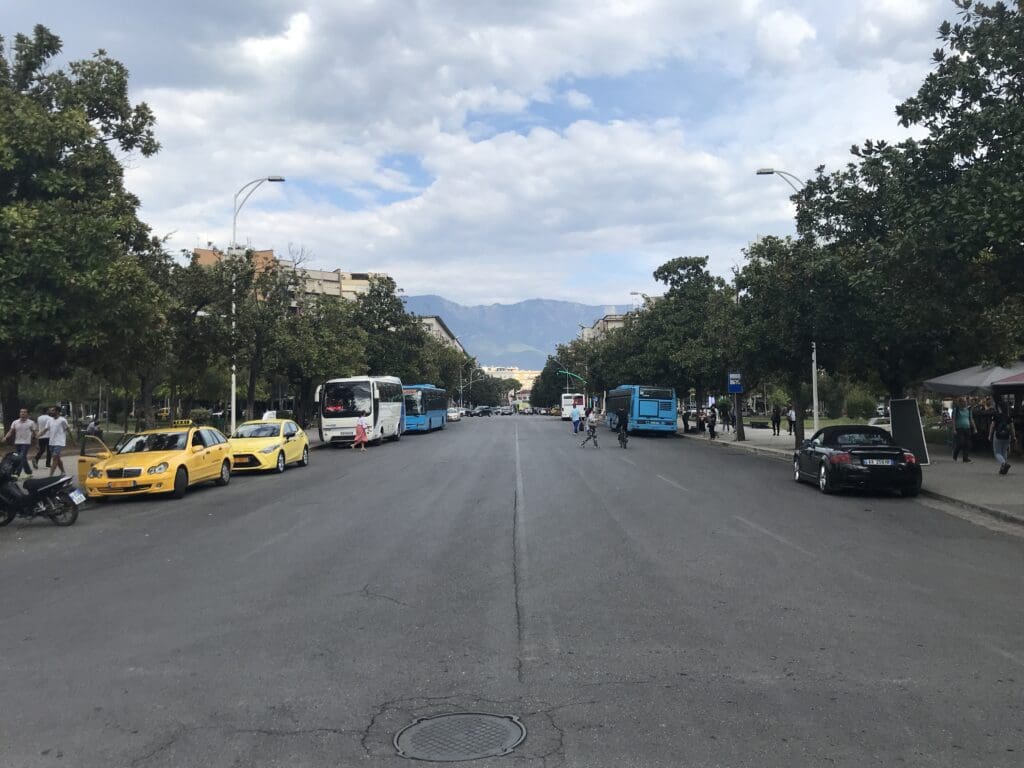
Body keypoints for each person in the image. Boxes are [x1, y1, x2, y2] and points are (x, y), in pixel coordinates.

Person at [4, 408, 36, 478]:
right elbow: (11, 431)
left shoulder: (31, 423)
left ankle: (17, 473)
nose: (22, 413)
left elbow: (34, 433)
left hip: (26, 442)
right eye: (21, 412)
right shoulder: (15, 422)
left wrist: (34, 440)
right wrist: (5, 437)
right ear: (19, 414)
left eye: (24, 412)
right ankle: (29, 472)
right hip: (18, 442)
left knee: (20, 457)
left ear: (27, 414)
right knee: (22, 458)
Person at [989, 404, 1015, 475]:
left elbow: (992, 425)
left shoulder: (996, 415)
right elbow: (1012, 427)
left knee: (997, 452)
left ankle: (1004, 464)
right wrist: (1014, 436)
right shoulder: (1008, 416)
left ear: (999, 408)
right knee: (1004, 452)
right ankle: (1003, 469)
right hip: (1007, 436)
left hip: (998, 435)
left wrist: (990, 435)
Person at [47, 407, 71, 477]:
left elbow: (68, 430)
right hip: (51, 442)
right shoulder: (49, 420)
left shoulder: (62, 420)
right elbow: (45, 429)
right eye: (50, 410)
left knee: (54, 457)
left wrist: (73, 442)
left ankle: (50, 475)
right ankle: (63, 472)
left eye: (52, 410)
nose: (51, 412)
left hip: (60, 442)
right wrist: (38, 435)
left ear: (57, 411)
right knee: (57, 458)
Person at [951, 397, 976, 463]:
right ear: (960, 403)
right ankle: (955, 453)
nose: (965, 403)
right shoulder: (956, 410)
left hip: (967, 428)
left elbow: (971, 419)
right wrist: (954, 429)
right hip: (959, 429)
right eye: (963, 401)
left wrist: (974, 428)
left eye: (965, 401)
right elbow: (953, 420)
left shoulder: (968, 410)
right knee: (960, 443)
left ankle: (965, 458)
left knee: (967, 444)